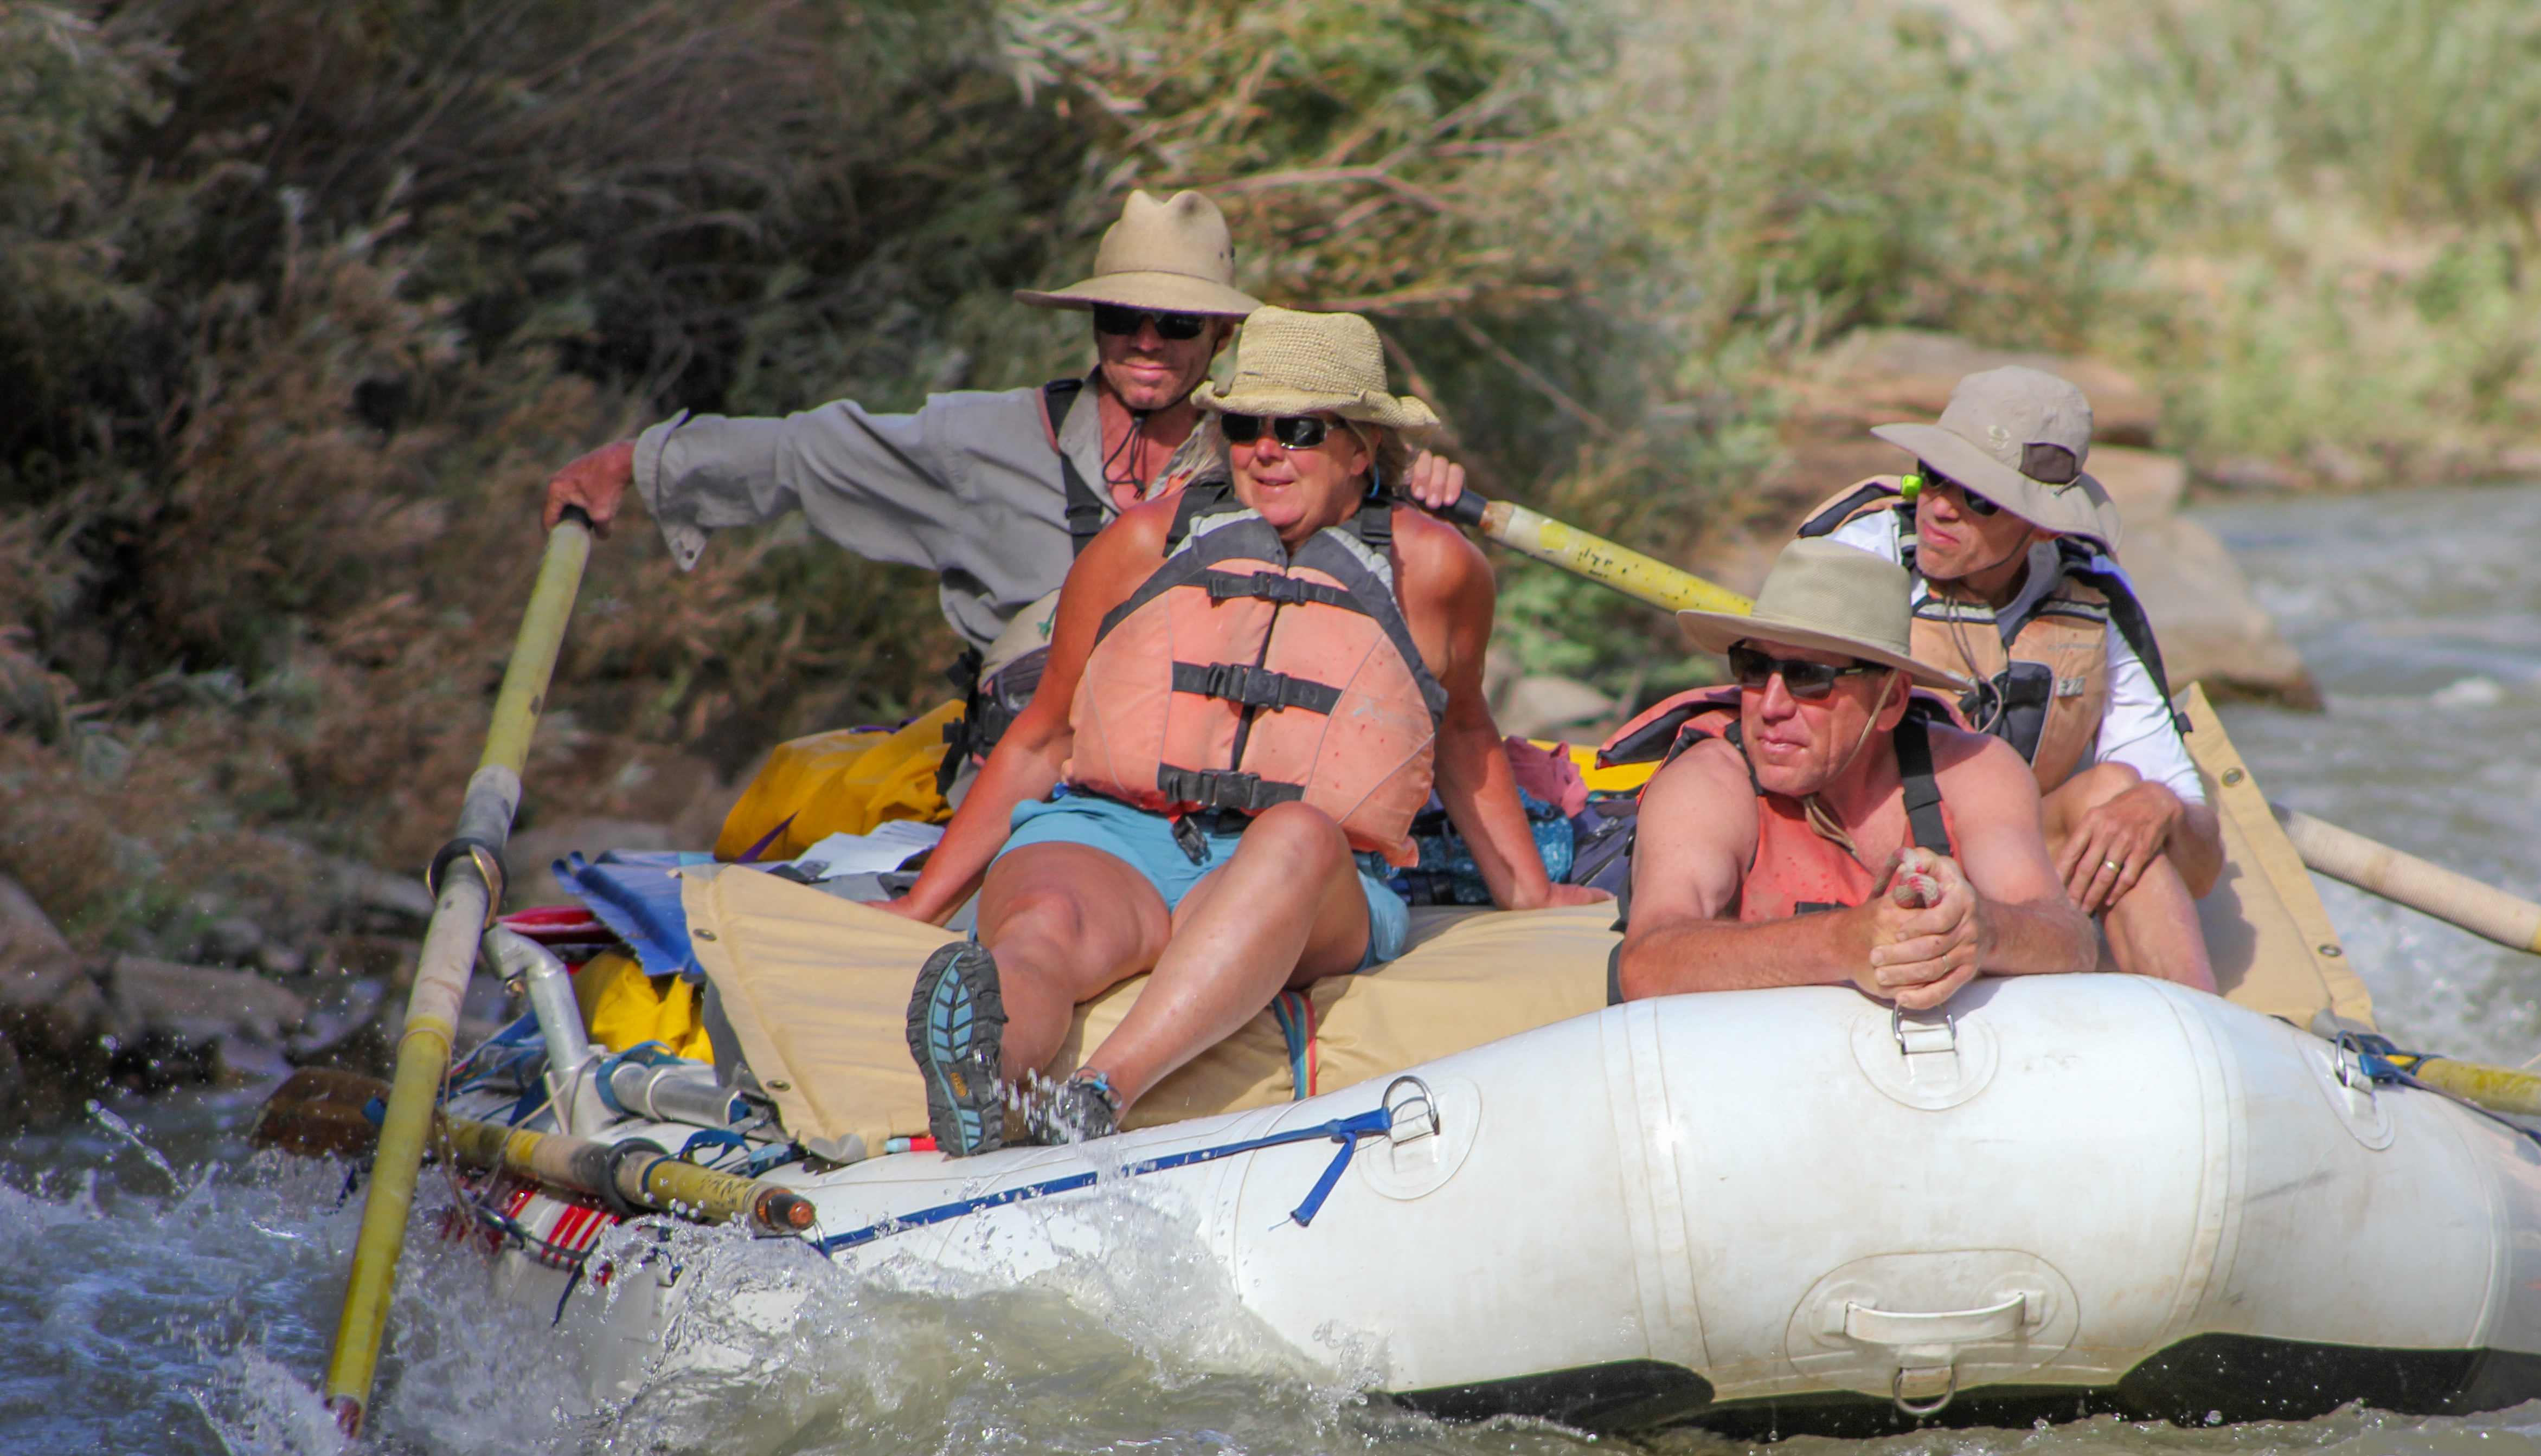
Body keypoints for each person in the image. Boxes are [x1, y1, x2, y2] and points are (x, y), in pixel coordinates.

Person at [878, 309, 1607, 1154]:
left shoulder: (1438, 570)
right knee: (1041, 923)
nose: (1266, 450)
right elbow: (1044, 734)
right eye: (1244, 426)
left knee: (1296, 832)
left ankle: (1096, 1094)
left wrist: (1528, 892)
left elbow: (1465, 736)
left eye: (1297, 430)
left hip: (1308, 879)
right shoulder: (1142, 544)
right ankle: (984, 1077)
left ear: (1361, 448)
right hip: (1115, 833)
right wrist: (923, 905)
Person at [537, 189, 1464, 749]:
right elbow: (808, 448)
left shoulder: (1265, 452)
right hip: (1024, 767)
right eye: (1120, 321)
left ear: (1220, 335)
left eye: (1176, 325)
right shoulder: (976, 442)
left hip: (1208, 771)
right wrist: (639, 459)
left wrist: (1413, 485)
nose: (1145, 343)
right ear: (1091, 323)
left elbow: (1360, 502)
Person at [1794, 366, 2223, 990]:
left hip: (2012, 868)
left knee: (2120, 796)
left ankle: (2201, 1038)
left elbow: (2201, 857)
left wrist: (2161, 807)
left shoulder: (2093, 592)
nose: (1939, 506)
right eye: (1933, 474)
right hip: (1853, 847)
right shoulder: (1857, 557)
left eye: (1980, 499)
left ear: (2044, 524)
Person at [1615, 538, 2095, 1006]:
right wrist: (1844, 942)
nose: (1772, 706)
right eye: (1755, 667)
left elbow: (2069, 939)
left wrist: (1983, 931)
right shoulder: (1706, 783)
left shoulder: (1974, 770)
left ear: (1893, 699)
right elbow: (1647, 963)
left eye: (1809, 677)